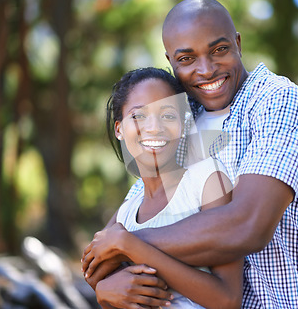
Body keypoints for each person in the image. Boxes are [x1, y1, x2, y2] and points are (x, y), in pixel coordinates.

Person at [83, 0, 298, 308]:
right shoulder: (180, 119)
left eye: (219, 50)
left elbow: (247, 225)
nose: (206, 69)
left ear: (237, 43)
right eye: (187, 59)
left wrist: (127, 247)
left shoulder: (278, 103)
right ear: (171, 61)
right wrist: (105, 286)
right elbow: (105, 247)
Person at [84, 67, 243, 309]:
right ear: (119, 129)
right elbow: (92, 272)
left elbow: (228, 300)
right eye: (138, 116)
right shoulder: (127, 212)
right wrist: (104, 291)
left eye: (168, 116)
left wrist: (131, 246)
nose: (154, 127)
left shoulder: (207, 181)